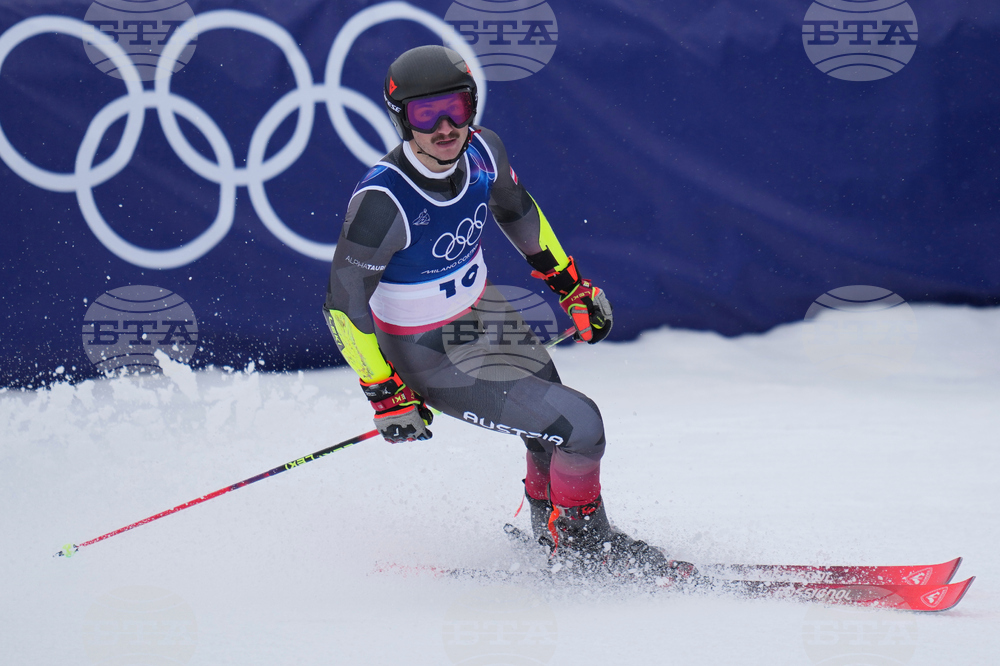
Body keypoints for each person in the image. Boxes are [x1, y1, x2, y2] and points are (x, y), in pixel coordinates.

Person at [323, 45, 679, 578]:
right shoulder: (383, 202)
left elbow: (517, 210)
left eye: (456, 108)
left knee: (550, 430)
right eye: (425, 113)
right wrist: (385, 391)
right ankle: (586, 552)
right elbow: (342, 302)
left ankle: (556, 540)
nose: (445, 127)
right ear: (401, 119)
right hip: (427, 353)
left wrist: (571, 288)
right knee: (581, 425)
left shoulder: (485, 152)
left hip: (486, 318)